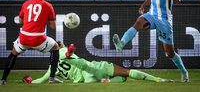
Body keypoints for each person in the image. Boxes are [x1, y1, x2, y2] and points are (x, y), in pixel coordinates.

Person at [112, 0, 189, 82]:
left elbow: (177, 0)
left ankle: (184, 72)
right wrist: (143, 5)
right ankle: (121, 44)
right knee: (137, 24)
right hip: (151, 15)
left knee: (170, 52)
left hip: (164, 20)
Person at [22, 41, 173, 84]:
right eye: (61, 44)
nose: (63, 45)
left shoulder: (50, 69)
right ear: (59, 47)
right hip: (93, 68)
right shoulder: (61, 51)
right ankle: (158, 80)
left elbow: (40, 81)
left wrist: (30, 81)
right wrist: (70, 51)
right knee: (127, 73)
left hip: (86, 80)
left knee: (122, 79)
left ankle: (105, 81)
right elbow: (65, 54)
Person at [0, 0, 61, 85]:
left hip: (24, 37)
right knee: (55, 47)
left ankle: (3, 80)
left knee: (13, 53)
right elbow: (53, 26)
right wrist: (44, 19)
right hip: (38, 39)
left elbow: (20, 21)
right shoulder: (48, 6)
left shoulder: (26, 4)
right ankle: (52, 78)